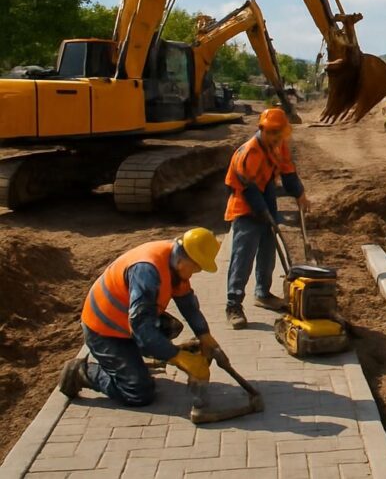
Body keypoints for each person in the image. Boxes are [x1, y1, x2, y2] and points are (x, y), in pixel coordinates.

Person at [58, 228, 221, 406]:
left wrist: (204, 335)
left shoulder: (174, 261)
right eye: (196, 267)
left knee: (170, 327)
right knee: (139, 392)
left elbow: (187, 304)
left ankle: (139, 359)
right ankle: (81, 372)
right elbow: (141, 328)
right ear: (184, 259)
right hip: (104, 331)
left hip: (127, 321)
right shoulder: (147, 271)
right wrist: (178, 357)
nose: (196, 272)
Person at [223, 107, 310, 329]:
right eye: (272, 133)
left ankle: (262, 293)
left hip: (266, 194)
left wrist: (299, 194)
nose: (276, 137)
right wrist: (264, 214)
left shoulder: (279, 145)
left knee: (268, 250)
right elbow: (249, 189)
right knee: (243, 257)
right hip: (245, 204)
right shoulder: (249, 152)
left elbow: (288, 172)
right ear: (261, 129)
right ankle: (233, 305)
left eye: (279, 133)